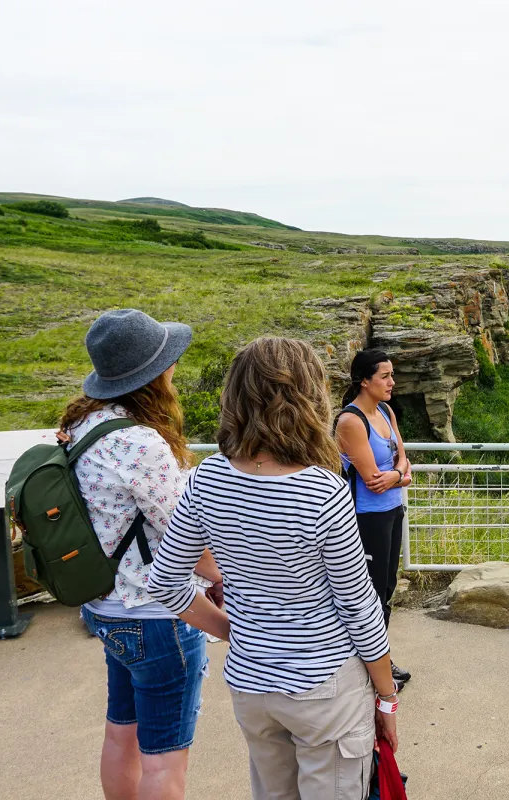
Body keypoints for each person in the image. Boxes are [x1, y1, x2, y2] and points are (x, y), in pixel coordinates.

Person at [148, 337, 399, 800]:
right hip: (324, 688)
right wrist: (385, 695)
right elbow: (359, 608)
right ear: (308, 395)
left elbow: (164, 581)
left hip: (251, 685)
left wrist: (235, 630)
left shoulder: (208, 477)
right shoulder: (322, 491)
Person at [63, 308, 222, 800]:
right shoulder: (140, 443)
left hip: (106, 608)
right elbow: (183, 536)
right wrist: (224, 576)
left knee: (121, 731)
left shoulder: (83, 427)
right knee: (164, 757)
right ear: (153, 375)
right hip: (157, 615)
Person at [335, 348, 414, 688]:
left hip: (393, 512)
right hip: (366, 518)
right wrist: (399, 475)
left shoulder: (384, 411)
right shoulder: (351, 422)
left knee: (387, 587)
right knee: (370, 595)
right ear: (364, 381)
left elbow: (403, 460)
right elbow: (373, 481)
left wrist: (396, 475)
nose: (392, 382)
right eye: (385, 376)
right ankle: (372, 666)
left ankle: (379, 659)